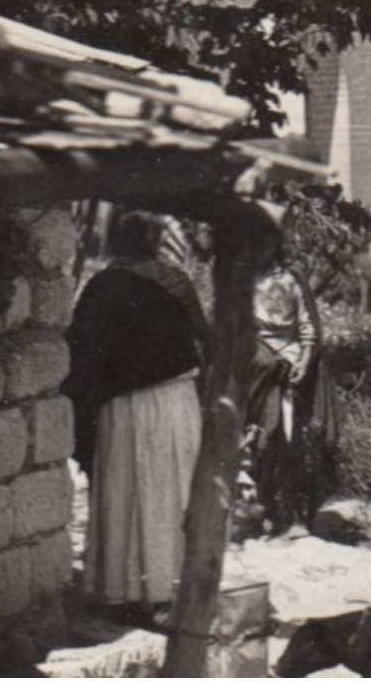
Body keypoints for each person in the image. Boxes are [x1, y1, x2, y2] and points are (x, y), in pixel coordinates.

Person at [63, 211, 210, 620]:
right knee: (168, 493)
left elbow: (81, 352)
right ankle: (169, 587)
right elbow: (205, 336)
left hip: (124, 407)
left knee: (127, 494)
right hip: (172, 401)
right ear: (153, 240)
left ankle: (124, 591)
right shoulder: (174, 280)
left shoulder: (101, 285)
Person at [245, 251, 339, 535]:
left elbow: (308, 328)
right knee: (259, 438)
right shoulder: (245, 275)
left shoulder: (292, 278)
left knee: (294, 439)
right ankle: (259, 510)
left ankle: (294, 513)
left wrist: (304, 360)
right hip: (255, 364)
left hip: (292, 361)